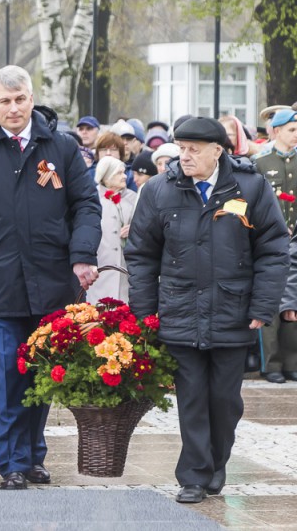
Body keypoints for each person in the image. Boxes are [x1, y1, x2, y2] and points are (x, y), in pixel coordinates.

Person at [0, 65, 101, 490]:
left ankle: (34, 455)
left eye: (20, 100)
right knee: (7, 374)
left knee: (42, 373)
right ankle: (12, 462)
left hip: (54, 282)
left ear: (31, 99)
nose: (13, 109)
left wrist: (82, 255)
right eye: (4, 101)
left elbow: (87, 205)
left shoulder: (64, 147)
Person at [125, 116, 289, 503]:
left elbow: (273, 250)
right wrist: (145, 313)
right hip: (179, 310)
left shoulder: (250, 186)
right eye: (181, 148)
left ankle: (217, 461)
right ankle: (194, 475)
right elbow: (142, 256)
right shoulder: (159, 192)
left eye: (194, 150)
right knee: (192, 396)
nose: (185, 156)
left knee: (225, 401)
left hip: (233, 310)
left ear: (219, 151)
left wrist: (263, 305)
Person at [253, 108, 297, 383]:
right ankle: (271, 363)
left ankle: (292, 361)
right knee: (270, 302)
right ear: (277, 131)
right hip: (269, 241)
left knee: (293, 304)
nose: (296, 135)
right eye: (292, 130)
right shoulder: (260, 162)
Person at [87, 156, 136, 304]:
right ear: (106, 176)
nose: (125, 176)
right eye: (119, 173)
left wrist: (133, 230)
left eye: (124, 172)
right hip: (100, 266)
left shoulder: (133, 197)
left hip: (126, 268)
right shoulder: (92, 198)